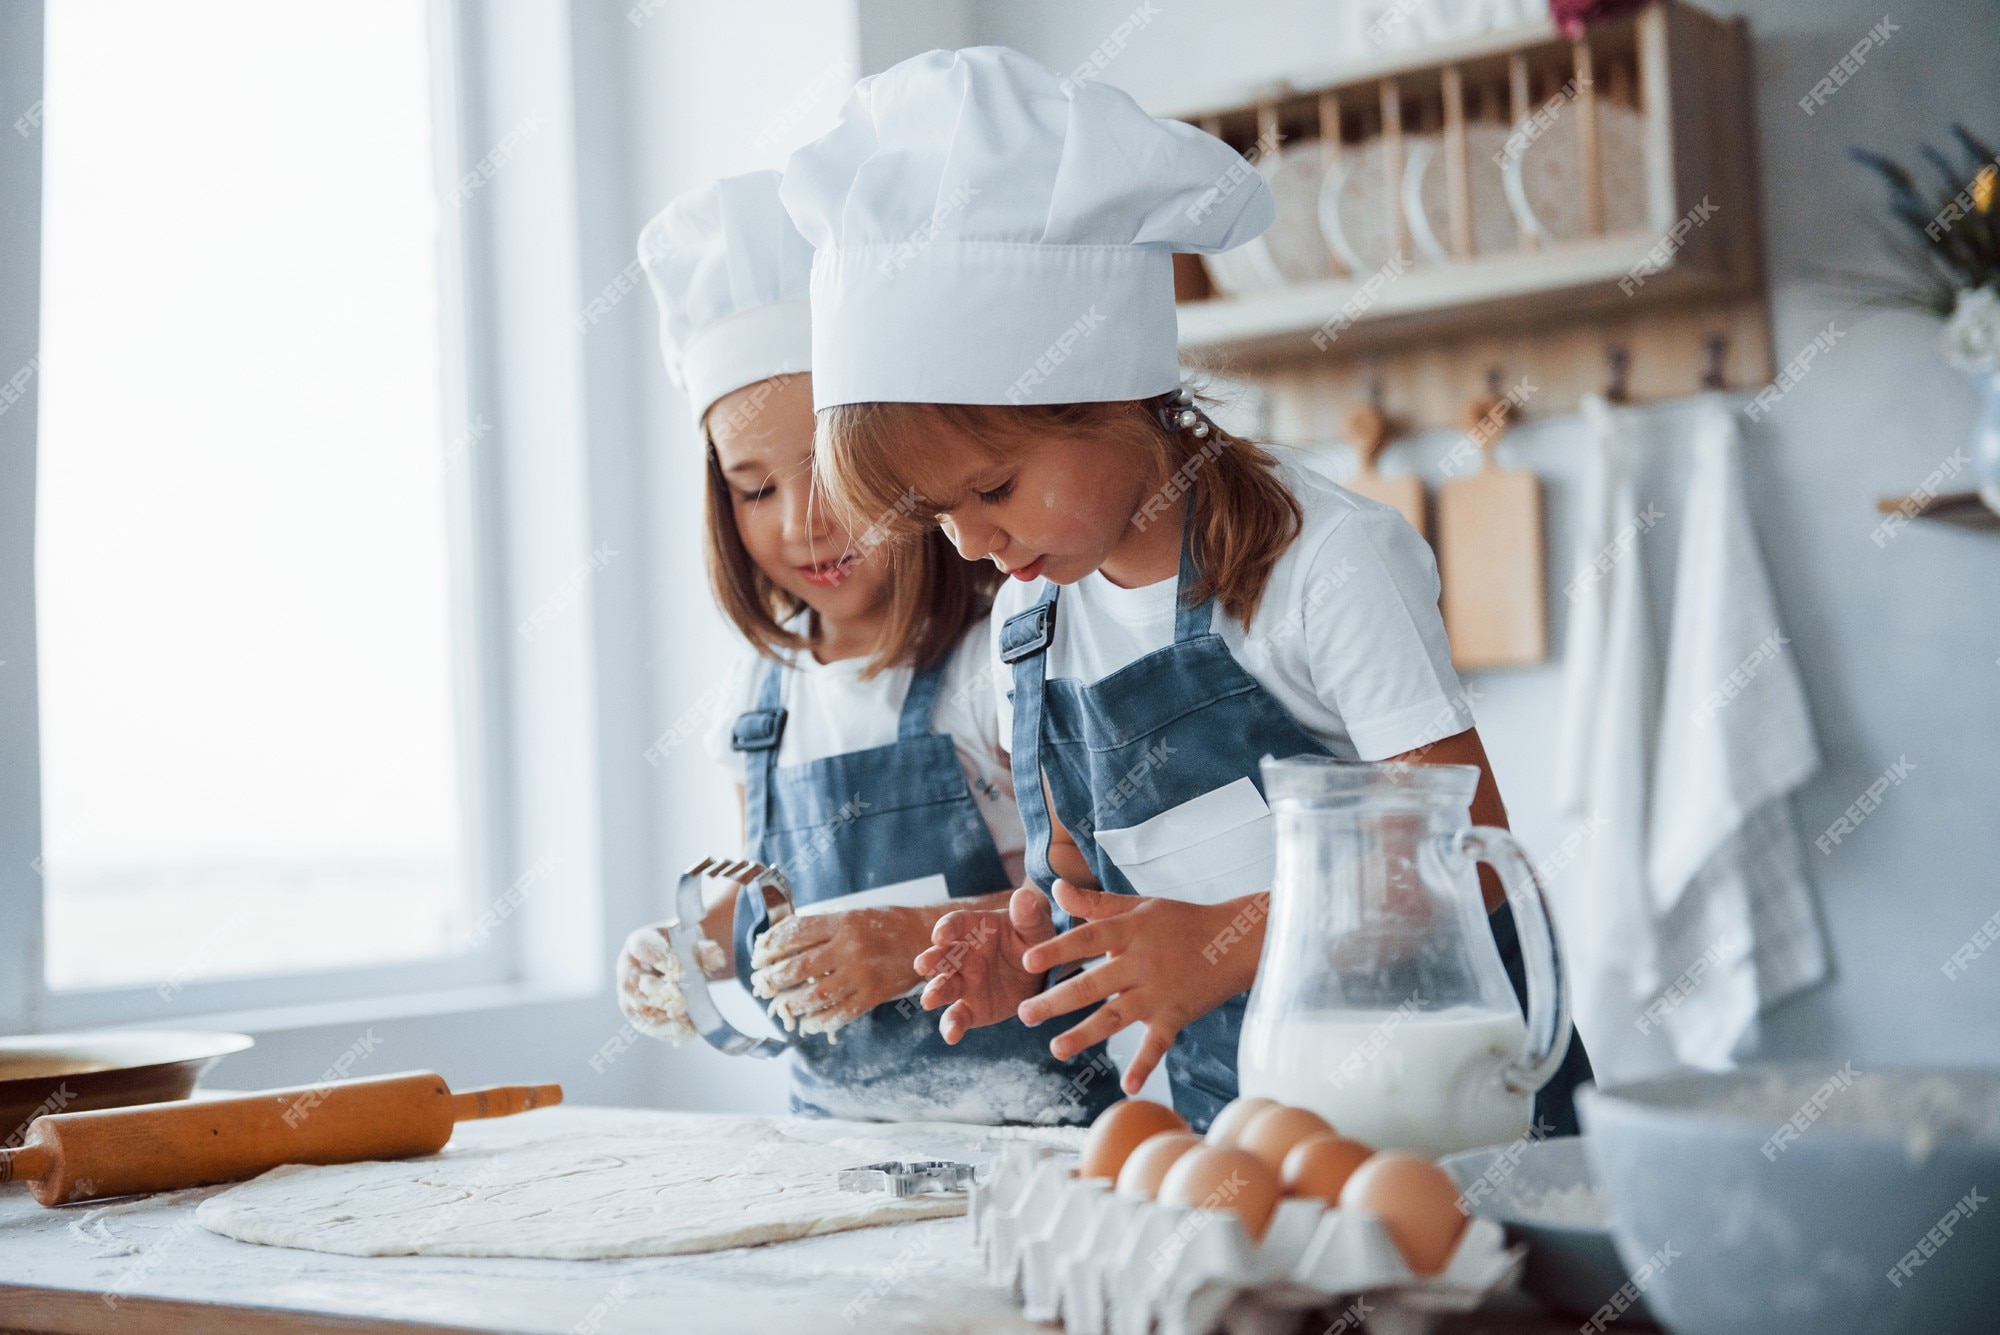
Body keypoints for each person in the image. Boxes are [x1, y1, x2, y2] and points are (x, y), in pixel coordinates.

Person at [786, 48, 1592, 1132]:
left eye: (993, 487)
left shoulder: (1325, 565)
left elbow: (1467, 862)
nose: (973, 542)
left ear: (1112, 393)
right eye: (936, 515)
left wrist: (1209, 946)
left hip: (1450, 1122)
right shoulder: (1029, 622)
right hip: (1247, 1135)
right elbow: (1081, 884)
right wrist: (1021, 947)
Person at [615, 170, 1119, 1124]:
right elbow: (770, 907)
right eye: (755, 487)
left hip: (1031, 1143)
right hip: (833, 1155)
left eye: (832, 467)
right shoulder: (755, 707)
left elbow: (1087, 919)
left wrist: (904, 941)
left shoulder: (1000, 663)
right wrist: (689, 950)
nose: (804, 522)